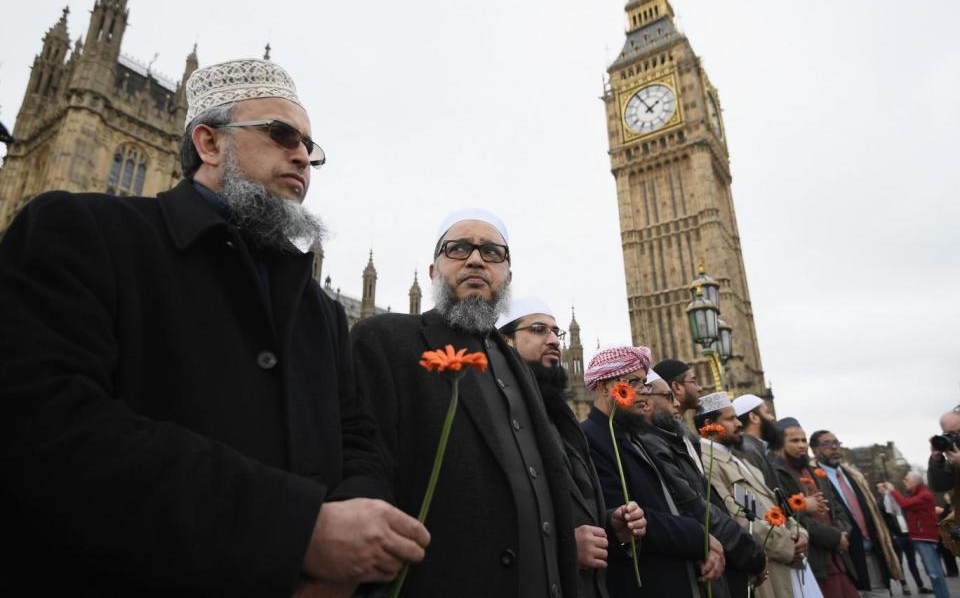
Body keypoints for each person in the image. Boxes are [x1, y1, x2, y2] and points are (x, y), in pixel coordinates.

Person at [0, 58, 429, 596]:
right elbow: (42, 428)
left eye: (310, 148)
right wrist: (297, 533)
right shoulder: (83, 233)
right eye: (280, 134)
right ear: (208, 143)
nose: (302, 155)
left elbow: (358, 438)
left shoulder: (315, 306)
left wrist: (346, 560)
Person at [351, 210, 576, 597]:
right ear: (434, 271)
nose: (475, 259)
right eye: (457, 249)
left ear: (507, 275)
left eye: (491, 252)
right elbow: (359, 465)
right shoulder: (385, 340)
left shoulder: (518, 367)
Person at [497, 296, 646, 597]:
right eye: (539, 330)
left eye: (557, 333)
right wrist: (562, 546)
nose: (553, 340)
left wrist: (610, 524)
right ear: (506, 341)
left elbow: (573, 503)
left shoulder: (558, 415)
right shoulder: (496, 411)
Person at [580, 346, 723, 597]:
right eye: (632, 382)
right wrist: (698, 538)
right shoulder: (589, 439)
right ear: (603, 387)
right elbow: (627, 519)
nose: (642, 394)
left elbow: (671, 504)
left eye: (644, 384)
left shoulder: (634, 437)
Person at [636, 373, 766, 598]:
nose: (738, 424)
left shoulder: (682, 441)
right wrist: (752, 554)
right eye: (669, 397)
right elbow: (697, 507)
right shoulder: (657, 446)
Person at [695, 392, 807, 598]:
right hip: (765, 570)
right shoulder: (707, 461)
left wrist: (800, 533)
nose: (739, 424)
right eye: (730, 419)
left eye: (737, 417)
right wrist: (788, 546)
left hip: (784, 562)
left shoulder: (738, 458)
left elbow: (776, 506)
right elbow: (737, 516)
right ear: (709, 424)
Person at [770, 419, 859, 598]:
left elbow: (836, 508)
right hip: (816, 562)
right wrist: (834, 537)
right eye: (795, 441)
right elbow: (794, 518)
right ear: (781, 443)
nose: (801, 445)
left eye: (803, 440)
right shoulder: (777, 473)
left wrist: (842, 533)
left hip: (839, 559)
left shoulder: (814, 471)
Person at [810, 430, 902, 595]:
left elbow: (873, 514)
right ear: (814, 449)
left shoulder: (854, 476)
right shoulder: (811, 477)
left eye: (836, 443)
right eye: (827, 444)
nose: (834, 447)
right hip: (842, 557)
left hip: (872, 553)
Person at [879, 473, 951, 598]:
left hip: (924, 537)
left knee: (935, 573)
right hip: (921, 537)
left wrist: (893, 491)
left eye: (906, 479)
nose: (904, 481)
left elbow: (905, 504)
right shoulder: (919, 494)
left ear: (915, 482)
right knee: (933, 572)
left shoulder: (924, 495)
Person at [731, 394, 780, 490]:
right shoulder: (748, 450)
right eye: (767, 412)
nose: (772, 418)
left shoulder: (756, 447)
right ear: (754, 417)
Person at [927, 405, 960, 494]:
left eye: (959, 431)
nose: (955, 437)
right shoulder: (954, 457)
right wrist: (936, 460)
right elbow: (940, 486)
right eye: (949, 434)